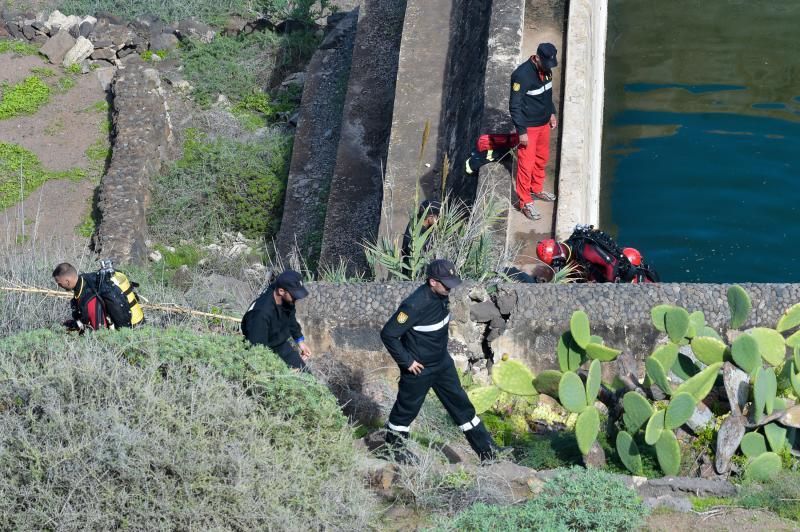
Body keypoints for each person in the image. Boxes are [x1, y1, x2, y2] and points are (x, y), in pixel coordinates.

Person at [380, 259, 502, 463]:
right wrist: (408, 362)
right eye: (446, 284)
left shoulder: (443, 295)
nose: (450, 288)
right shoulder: (414, 305)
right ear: (432, 282)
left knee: (462, 405)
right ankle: (394, 452)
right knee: (405, 411)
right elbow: (388, 334)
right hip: (419, 369)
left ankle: (488, 452)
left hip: (442, 364)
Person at [536, 225, 659, 283]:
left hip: (616, 276)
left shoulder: (584, 249)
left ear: (558, 256)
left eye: (554, 262)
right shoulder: (571, 244)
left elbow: (612, 263)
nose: (555, 265)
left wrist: (606, 287)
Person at [241, 270, 312, 370]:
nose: (296, 298)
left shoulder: (286, 299)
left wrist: (300, 341)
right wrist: (282, 372)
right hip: (262, 347)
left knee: (306, 375)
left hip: (279, 342)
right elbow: (257, 351)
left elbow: (290, 318)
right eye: (294, 294)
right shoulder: (261, 313)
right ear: (281, 291)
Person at [53, 261, 145, 332]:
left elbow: (100, 330)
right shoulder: (85, 280)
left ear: (67, 282)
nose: (59, 286)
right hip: (137, 324)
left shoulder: (88, 298)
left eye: (59, 284)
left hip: (130, 332)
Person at [401, 200, 441, 273]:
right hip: (413, 272)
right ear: (430, 217)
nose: (439, 220)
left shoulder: (414, 223)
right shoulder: (418, 231)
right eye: (438, 217)